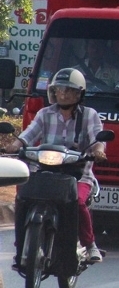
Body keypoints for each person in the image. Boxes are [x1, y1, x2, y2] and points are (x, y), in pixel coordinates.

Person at [5, 68, 106, 264]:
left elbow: (97, 139)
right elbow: (28, 135)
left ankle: (90, 245)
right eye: (59, 90)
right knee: (23, 198)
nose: (63, 94)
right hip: (44, 172)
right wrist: (15, 146)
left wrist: (99, 151)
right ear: (53, 92)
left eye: (68, 90)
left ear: (79, 93)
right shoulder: (45, 114)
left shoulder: (89, 115)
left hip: (78, 175)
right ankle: (21, 246)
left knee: (77, 202)